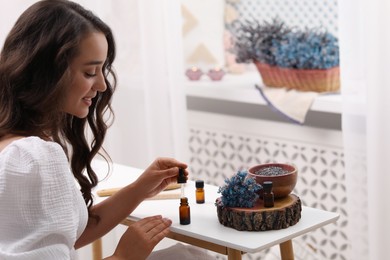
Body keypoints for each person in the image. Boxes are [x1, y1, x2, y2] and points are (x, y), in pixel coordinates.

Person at [0, 0, 189, 259]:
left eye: (103, 70)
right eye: (90, 72)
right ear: (48, 73)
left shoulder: (14, 147)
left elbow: (65, 236)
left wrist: (139, 189)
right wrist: (123, 256)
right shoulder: (33, 158)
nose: (101, 85)